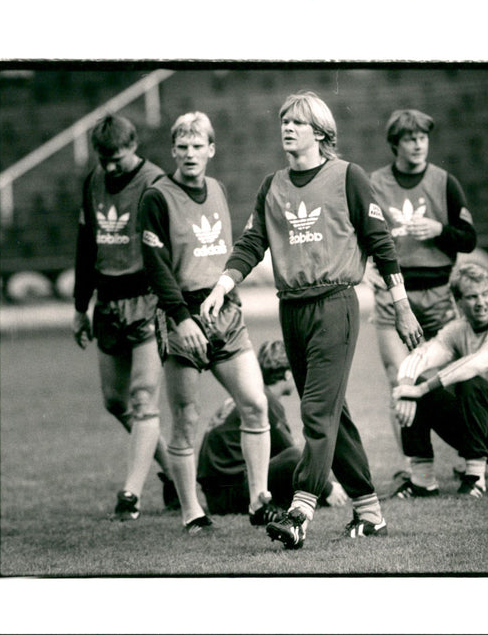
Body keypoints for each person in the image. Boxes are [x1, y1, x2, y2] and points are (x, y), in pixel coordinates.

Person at [200, 91, 423, 549]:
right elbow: (251, 242)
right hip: (292, 308)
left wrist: (402, 306)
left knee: (316, 411)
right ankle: (370, 513)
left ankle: (300, 511)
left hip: (335, 304)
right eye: (284, 120)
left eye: (297, 122)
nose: (287, 127)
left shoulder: (348, 177)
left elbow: (382, 245)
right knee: (332, 413)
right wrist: (223, 285)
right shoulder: (272, 185)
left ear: (321, 133)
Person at [140, 111, 274, 534]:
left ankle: (258, 501)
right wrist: (181, 319)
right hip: (181, 316)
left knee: (255, 402)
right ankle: (191, 511)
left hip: (225, 311)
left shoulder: (216, 187)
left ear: (211, 150)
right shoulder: (156, 197)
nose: (190, 153)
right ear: (173, 151)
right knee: (186, 417)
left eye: (198, 146)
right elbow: (155, 264)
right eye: (182, 147)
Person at [72, 114, 178, 520]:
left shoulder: (154, 183)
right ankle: (171, 473)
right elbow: (86, 246)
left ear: (133, 146)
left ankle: (129, 496)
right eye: (104, 158)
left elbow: (169, 246)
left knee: (142, 398)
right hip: (108, 303)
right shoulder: (93, 181)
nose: (110, 165)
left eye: (117, 157)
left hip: (147, 297)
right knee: (116, 402)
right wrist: (80, 308)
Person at [368, 109, 477, 473]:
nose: (418, 144)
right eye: (410, 138)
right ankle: (413, 467)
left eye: (423, 137)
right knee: (398, 377)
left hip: (439, 294)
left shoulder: (445, 182)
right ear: (395, 144)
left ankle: (470, 458)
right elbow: (360, 234)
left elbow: (469, 239)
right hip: (393, 298)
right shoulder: (375, 183)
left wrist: (439, 230)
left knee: (443, 381)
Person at [390, 262, 488, 498]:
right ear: (458, 303)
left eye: (485, 294)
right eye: (471, 297)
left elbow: (474, 365)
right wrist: (408, 387)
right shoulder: (456, 330)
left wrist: (423, 388)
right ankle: (422, 481)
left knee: (470, 382)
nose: (481, 303)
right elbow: (422, 355)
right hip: (479, 429)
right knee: (416, 382)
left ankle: (475, 479)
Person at [197, 340, 348, 514]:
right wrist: (328, 488)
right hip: (232, 493)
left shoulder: (252, 394)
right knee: (294, 456)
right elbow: (293, 458)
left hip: (218, 494)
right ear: (287, 374)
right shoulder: (266, 401)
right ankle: (324, 495)